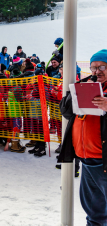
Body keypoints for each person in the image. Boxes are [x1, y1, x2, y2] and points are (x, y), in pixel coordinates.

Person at [58, 49, 107, 226]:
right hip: (87, 160)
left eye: (102, 66)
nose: (97, 71)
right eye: (93, 68)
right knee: (94, 212)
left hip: (103, 161)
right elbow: (64, 110)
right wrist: (77, 90)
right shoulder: (87, 84)